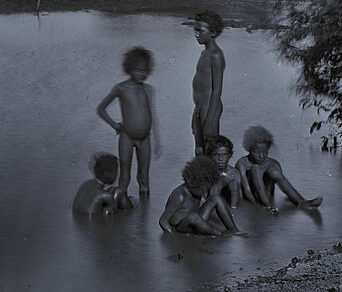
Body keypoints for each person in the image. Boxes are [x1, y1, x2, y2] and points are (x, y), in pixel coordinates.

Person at [97, 47, 160, 196]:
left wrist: (157, 142)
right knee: (125, 177)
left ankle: (143, 216)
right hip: (127, 137)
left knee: (144, 178)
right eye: (138, 70)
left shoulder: (148, 89)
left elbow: (153, 116)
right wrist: (114, 125)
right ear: (129, 68)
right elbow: (101, 109)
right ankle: (120, 210)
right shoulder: (121, 88)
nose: (141, 74)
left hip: (145, 139)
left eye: (144, 70)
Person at [235, 125, 323, 212]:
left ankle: (301, 202)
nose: (261, 156)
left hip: (268, 196)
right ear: (248, 149)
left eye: (264, 152)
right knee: (256, 168)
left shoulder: (272, 163)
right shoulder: (242, 163)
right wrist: (257, 207)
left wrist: (294, 199)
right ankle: (268, 206)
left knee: (273, 169)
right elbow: (247, 191)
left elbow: (283, 184)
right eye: (257, 152)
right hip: (252, 199)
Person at [159, 156, 247, 236]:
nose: (205, 192)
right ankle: (219, 234)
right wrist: (173, 235)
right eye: (203, 190)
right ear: (193, 183)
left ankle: (233, 229)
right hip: (182, 228)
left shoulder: (197, 190)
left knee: (216, 198)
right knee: (192, 217)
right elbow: (163, 222)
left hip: (197, 222)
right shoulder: (180, 196)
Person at [191, 11, 226, 156]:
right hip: (199, 108)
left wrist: (210, 120)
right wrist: (196, 113)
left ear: (212, 32)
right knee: (199, 151)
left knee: (210, 151)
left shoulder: (216, 55)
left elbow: (217, 90)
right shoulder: (204, 54)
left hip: (210, 108)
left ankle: (212, 178)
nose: (196, 34)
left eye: (200, 31)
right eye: (196, 30)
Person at [204, 135, 241, 208]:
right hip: (210, 203)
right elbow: (202, 197)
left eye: (224, 155)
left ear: (230, 155)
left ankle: (234, 212)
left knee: (234, 184)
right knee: (217, 183)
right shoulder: (207, 172)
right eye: (216, 155)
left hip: (228, 204)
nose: (220, 159)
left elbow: (240, 195)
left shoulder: (234, 173)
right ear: (211, 156)